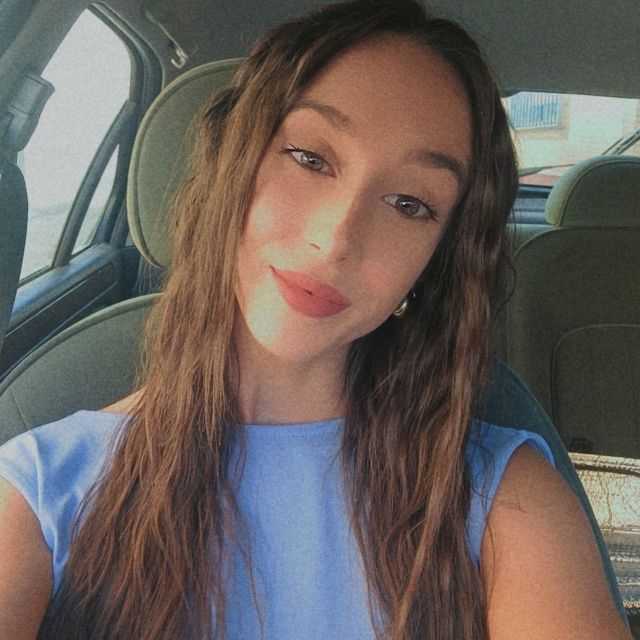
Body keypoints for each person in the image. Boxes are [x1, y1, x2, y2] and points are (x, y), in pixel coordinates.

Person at [0, 1, 631, 639]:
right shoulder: (40, 490)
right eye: (308, 157)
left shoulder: (502, 496)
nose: (335, 240)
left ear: (434, 261)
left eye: (409, 203)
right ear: (233, 162)